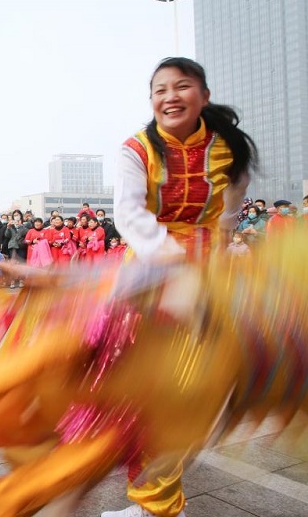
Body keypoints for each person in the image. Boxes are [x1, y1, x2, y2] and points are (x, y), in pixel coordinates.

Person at [107, 57, 257, 517]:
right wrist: (175, 264)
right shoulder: (137, 150)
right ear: (151, 101)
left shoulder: (229, 150)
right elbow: (130, 216)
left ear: (204, 96)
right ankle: (155, 491)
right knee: (138, 388)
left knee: (178, 391)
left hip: (207, 281)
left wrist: (226, 250)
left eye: (182, 86)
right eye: (159, 89)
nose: (170, 96)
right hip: (152, 279)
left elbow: (230, 213)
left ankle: (158, 505)